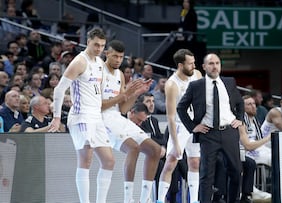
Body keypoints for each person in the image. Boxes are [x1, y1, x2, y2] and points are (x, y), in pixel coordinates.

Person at [48, 28, 115, 203]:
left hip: (96, 117)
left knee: (109, 161)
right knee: (86, 158)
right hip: (80, 116)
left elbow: (98, 93)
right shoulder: (79, 61)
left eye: (102, 45)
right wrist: (56, 117)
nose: (99, 48)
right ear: (88, 41)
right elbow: (59, 89)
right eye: (96, 45)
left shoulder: (100, 62)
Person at [177, 53, 244, 203]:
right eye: (211, 63)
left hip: (229, 132)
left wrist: (239, 119)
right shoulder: (196, 85)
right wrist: (193, 127)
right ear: (204, 67)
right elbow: (181, 107)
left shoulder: (229, 82)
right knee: (206, 175)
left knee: (236, 171)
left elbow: (240, 103)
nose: (215, 66)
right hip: (208, 134)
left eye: (217, 63)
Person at [100, 40, 161, 203]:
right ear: (107, 54)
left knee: (155, 150)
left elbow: (123, 109)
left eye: (121, 57)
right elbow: (98, 105)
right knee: (133, 147)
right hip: (101, 119)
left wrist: (136, 93)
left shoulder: (119, 74)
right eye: (115, 56)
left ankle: (145, 199)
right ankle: (128, 199)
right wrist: (124, 94)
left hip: (117, 117)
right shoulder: (98, 72)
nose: (118, 60)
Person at [157, 49, 202, 203]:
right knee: (170, 162)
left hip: (195, 123)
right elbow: (170, 117)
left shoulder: (197, 75)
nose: (194, 66)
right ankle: (160, 200)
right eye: (190, 63)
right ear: (181, 65)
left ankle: (194, 200)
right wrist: (176, 143)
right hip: (179, 125)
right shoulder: (172, 84)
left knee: (195, 162)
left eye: (194, 62)